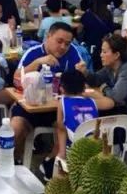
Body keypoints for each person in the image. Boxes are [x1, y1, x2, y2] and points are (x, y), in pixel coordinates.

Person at [10, 22, 83, 158]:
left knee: (71, 130)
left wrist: (83, 73)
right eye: (59, 41)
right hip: (31, 106)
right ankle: (14, 160)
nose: (63, 47)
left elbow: (82, 81)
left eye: (67, 44)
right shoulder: (34, 52)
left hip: (58, 109)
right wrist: (38, 62)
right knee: (15, 128)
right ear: (48, 36)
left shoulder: (73, 52)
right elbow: (16, 78)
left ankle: (50, 164)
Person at [77, 35, 127, 144]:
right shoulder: (110, 68)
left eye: (104, 52)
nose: (101, 55)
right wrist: (85, 72)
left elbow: (115, 97)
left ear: (117, 55)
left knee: (94, 130)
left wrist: (104, 88)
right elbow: (96, 80)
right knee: (92, 121)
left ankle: (100, 152)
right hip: (124, 118)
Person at [53, 70, 113, 168]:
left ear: (62, 89)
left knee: (58, 126)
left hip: (74, 148)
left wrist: (61, 153)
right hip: (95, 147)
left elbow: (61, 128)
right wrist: (94, 93)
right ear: (84, 87)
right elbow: (110, 103)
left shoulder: (62, 102)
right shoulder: (93, 102)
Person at [79, 0, 115, 69]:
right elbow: (111, 30)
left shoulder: (87, 15)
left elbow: (79, 30)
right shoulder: (108, 14)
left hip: (89, 48)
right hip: (103, 48)